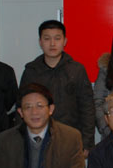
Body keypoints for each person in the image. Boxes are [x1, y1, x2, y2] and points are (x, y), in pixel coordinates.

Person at [20, 20, 95, 154]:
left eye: (57, 38)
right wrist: (20, 141)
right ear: (40, 42)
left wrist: (87, 142)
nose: (52, 43)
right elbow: (22, 106)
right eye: (47, 39)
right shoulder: (31, 71)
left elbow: (87, 107)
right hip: (38, 138)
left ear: (65, 41)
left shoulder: (76, 70)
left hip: (71, 137)